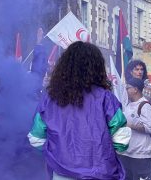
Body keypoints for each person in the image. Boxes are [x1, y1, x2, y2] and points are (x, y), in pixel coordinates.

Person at [28, 41, 130, 179]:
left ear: (64, 67)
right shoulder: (106, 99)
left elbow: (36, 138)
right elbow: (121, 141)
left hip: (61, 175)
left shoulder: (50, 99)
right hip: (100, 174)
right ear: (97, 67)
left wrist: (58, 154)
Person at [118, 78, 151, 180]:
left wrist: (130, 125)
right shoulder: (128, 105)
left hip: (141, 154)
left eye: (128, 88)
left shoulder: (145, 105)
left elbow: (150, 127)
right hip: (126, 153)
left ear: (135, 89)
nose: (126, 91)